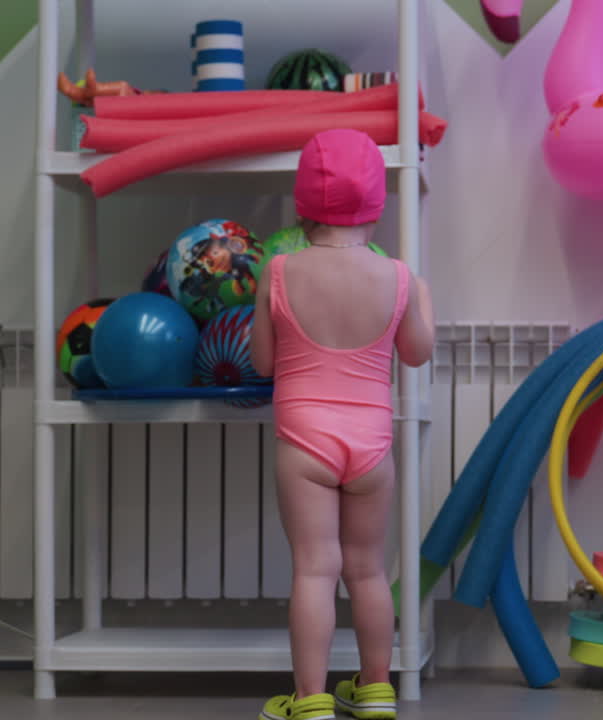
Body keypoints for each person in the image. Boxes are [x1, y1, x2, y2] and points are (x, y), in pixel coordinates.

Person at [250, 128, 435, 720]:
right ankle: (377, 689)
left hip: (304, 439)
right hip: (372, 444)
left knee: (314, 569)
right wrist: (418, 299)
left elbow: (261, 363)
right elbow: (417, 353)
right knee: (369, 569)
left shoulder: (279, 271)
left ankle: (310, 701)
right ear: (376, 203)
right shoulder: (400, 277)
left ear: (302, 204)